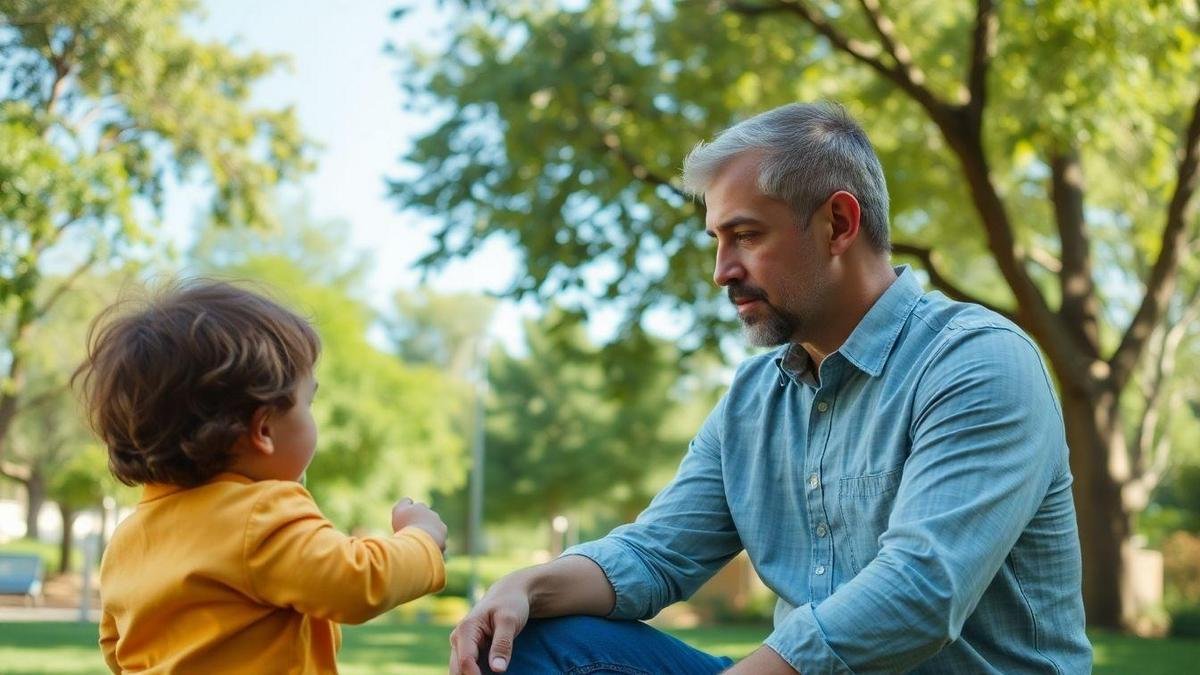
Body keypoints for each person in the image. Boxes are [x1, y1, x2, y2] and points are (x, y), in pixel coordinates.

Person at [449, 102, 1092, 674]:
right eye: (718, 241)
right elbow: (656, 554)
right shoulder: (756, 396)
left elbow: (923, 590)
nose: (721, 271)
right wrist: (529, 586)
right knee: (529, 642)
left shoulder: (975, 362)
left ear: (838, 223)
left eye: (746, 236)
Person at [76, 280, 448, 673]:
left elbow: (117, 647)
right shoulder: (261, 513)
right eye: (309, 402)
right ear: (264, 430)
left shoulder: (128, 538)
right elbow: (356, 582)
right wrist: (421, 538)